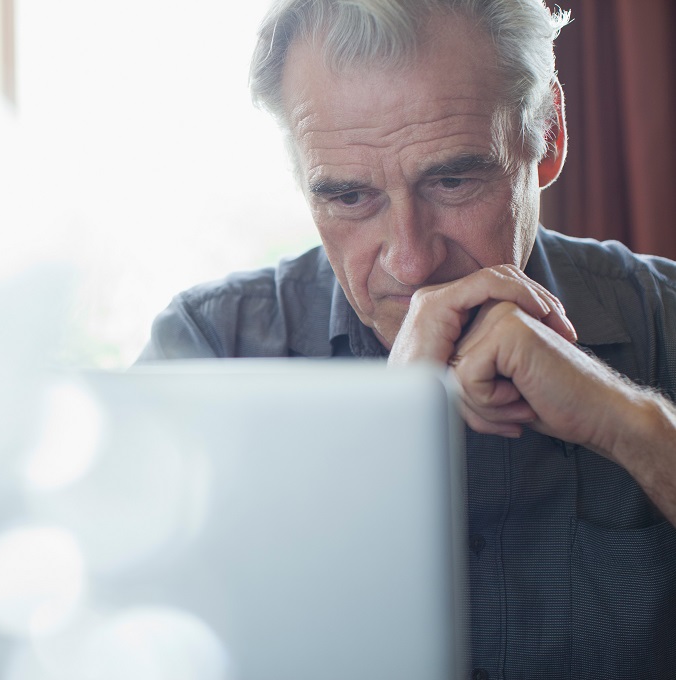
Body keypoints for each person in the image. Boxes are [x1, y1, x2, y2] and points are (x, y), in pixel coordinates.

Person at [138, 0, 676, 676]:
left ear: (548, 133)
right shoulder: (209, 350)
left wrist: (624, 422)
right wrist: (386, 442)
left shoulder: (663, 316)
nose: (412, 262)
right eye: (349, 198)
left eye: (453, 180)